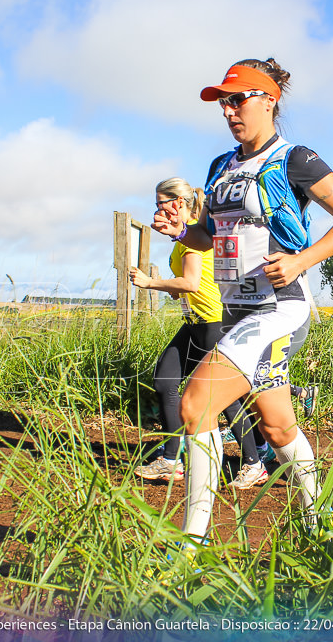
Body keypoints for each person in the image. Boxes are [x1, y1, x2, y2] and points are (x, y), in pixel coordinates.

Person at [152, 58, 333, 546]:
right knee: (276, 426)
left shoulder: (296, 159)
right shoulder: (220, 166)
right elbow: (210, 238)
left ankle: (192, 543)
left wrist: (300, 260)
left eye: (238, 98)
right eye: (223, 102)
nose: (229, 110)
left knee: (196, 405)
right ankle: (323, 519)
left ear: (269, 99)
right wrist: (183, 231)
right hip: (236, 312)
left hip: (280, 308)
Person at [129, 178, 270, 489]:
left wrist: (149, 283)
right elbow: (190, 285)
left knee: (226, 399)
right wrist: (176, 291)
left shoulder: (192, 235)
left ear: (179, 204)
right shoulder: (185, 235)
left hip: (211, 323)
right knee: (165, 380)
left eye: (161, 205)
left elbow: (191, 282)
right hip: (195, 321)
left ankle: (254, 464)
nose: (158, 211)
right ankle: (171, 460)